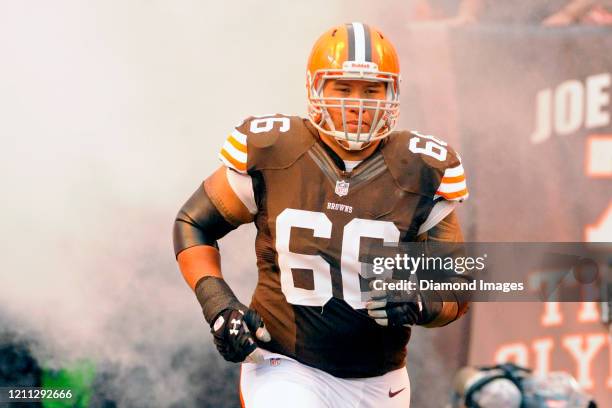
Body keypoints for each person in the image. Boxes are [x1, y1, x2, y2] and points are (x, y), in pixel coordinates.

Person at [173, 22, 471, 408]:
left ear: (393, 92)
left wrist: (421, 302)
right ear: (316, 89)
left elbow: (459, 284)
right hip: (285, 364)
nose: (357, 104)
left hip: (382, 381)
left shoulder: (422, 166)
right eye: (343, 88)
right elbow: (193, 225)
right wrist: (219, 304)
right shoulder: (274, 150)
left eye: (371, 89)